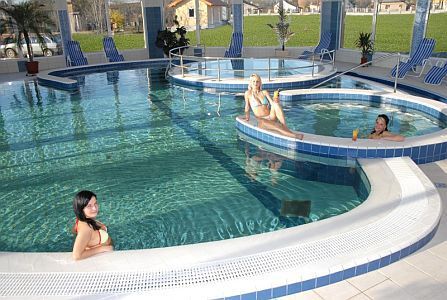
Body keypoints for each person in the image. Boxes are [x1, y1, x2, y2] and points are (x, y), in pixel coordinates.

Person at [244, 74, 304, 140]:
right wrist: (247, 117)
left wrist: (276, 101)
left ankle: (285, 126)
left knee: (276, 104)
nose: (255, 83)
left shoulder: (264, 92)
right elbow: (247, 106)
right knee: (276, 127)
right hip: (261, 119)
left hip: (271, 116)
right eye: (254, 81)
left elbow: (272, 103)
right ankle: (293, 135)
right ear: (251, 82)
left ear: (260, 82)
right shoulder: (248, 93)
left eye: (257, 81)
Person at [72, 190, 113, 260]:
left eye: (95, 203)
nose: (94, 208)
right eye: (89, 206)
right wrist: (102, 248)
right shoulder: (86, 229)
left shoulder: (83, 219)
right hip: (104, 258)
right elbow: (76, 256)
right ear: (81, 209)